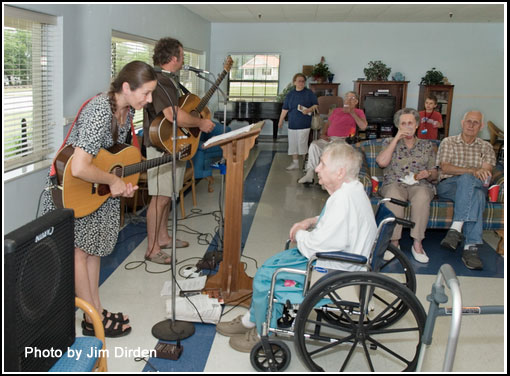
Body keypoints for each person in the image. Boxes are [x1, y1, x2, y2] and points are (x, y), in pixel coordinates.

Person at [216, 143, 377, 353]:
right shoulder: (352, 190)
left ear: (339, 172)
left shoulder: (343, 200)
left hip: (331, 270)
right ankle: (252, 318)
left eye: (322, 164)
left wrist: (299, 232)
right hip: (340, 260)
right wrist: (311, 220)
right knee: (271, 263)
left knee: (266, 276)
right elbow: (338, 223)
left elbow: (315, 247)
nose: (317, 168)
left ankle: (262, 330)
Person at [41, 60, 158, 337]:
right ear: (127, 87)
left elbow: (115, 156)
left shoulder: (126, 111)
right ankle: (92, 317)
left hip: (98, 191)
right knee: (79, 253)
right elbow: (80, 167)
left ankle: (94, 311)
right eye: (146, 93)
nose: (150, 99)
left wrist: (123, 184)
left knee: (93, 250)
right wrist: (114, 180)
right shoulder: (99, 111)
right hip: (76, 189)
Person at [143, 37, 215, 264]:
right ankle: (152, 249)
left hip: (174, 144)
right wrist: (201, 124)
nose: (183, 60)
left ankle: (163, 238)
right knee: (159, 199)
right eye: (182, 56)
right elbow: (172, 115)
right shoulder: (160, 80)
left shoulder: (169, 81)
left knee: (167, 197)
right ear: (173, 58)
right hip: (160, 147)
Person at [375, 108, 438, 263]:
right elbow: (382, 163)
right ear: (398, 126)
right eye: (403, 123)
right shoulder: (389, 142)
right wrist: (396, 138)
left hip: (420, 184)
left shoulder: (427, 146)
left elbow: (436, 173)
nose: (407, 126)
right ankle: (394, 242)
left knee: (422, 195)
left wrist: (428, 174)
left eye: (410, 123)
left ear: (417, 125)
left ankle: (417, 244)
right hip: (395, 183)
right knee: (394, 196)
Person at [436, 111, 496, 270]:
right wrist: (471, 171)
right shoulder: (448, 142)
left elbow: (486, 171)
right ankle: (471, 248)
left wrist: (473, 173)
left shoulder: (487, 147)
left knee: (477, 194)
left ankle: (456, 231)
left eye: (475, 122)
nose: (471, 125)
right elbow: (445, 167)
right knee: (468, 179)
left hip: (475, 187)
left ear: (481, 126)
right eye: (468, 121)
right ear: (462, 123)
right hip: (448, 185)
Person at [298, 91, 367, 183]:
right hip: (329, 139)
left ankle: (328, 179)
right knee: (314, 145)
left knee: (331, 149)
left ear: (356, 102)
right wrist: (323, 134)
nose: (348, 100)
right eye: (347, 97)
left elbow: (363, 126)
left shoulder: (359, 112)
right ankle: (309, 174)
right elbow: (328, 123)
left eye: (352, 98)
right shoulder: (337, 110)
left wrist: (352, 113)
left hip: (343, 140)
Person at [277, 73, 318, 170]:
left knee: (302, 143)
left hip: (304, 123)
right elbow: (285, 109)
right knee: (293, 144)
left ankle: (306, 164)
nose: (301, 83)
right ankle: (295, 163)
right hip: (292, 123)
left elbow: (316, 105)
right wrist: (280, 120)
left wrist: (308, 110)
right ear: (294, 82)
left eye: (303, 81)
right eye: (299, 81)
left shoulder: (309, 93)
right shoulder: (290, 94)